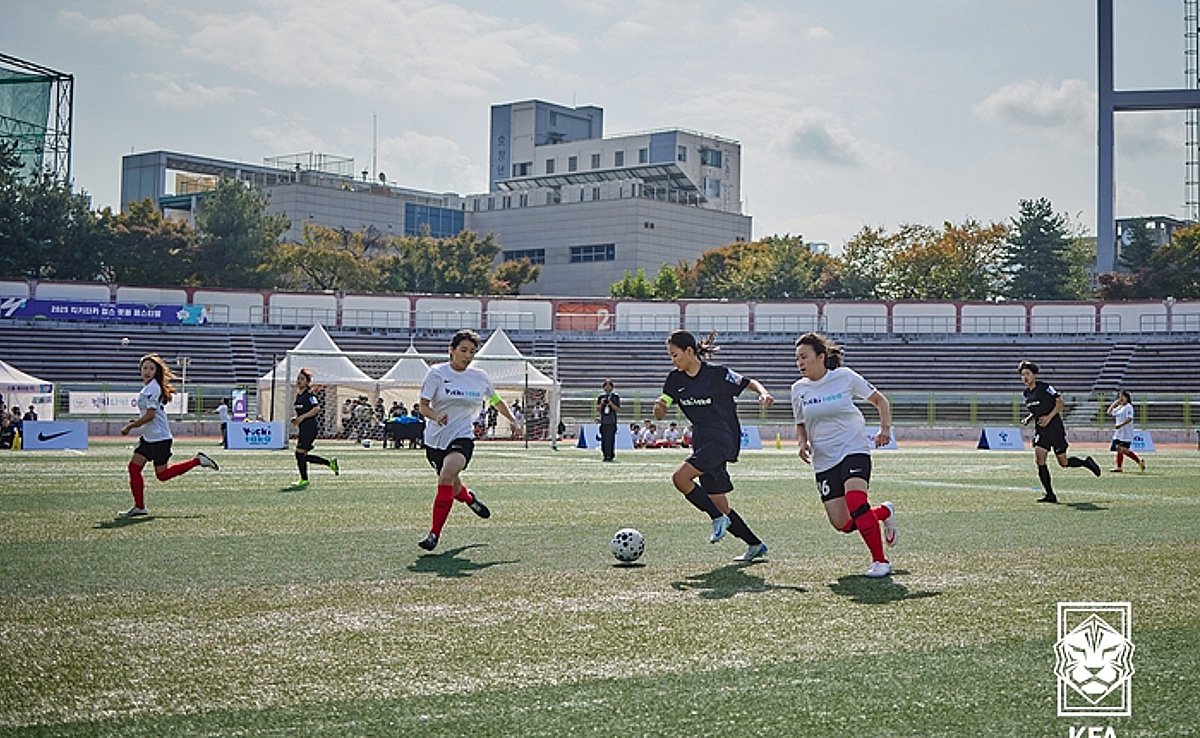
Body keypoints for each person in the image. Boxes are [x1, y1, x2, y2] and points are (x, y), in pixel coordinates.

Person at [653, 330, 773, 562]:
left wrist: (763, 394)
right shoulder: (674, 380)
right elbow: (661, 410)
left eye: (675, 354)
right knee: (719, 503)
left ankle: (716, 519)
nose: (672, 359)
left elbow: (749, 382)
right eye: (670, 355)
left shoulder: (718, 374)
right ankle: (755, 544)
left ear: (689, 351)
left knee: (680, 478)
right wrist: (659, 407)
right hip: (702, 442)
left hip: (723, 438)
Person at [791, 333, 897, 578]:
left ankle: (880, 561)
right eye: (797, 359)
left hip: (853, 448)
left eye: (804, 357)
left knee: (856, 502)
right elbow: (800, 423)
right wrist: (802, 443)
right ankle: (884, 512)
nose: (800, 363)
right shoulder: (798, 389)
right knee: (843, 523)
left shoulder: (845, 377)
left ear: (821, 357)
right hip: (823, 459)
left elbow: (880, 400)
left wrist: (885, 430)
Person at [416, 329, 517, 551]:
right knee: (453, 485)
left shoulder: (479, 377)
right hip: (435, 440)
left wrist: (511, 419)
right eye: (463, 350)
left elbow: (495, 400)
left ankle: (434, 534)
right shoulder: (436, 373)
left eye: (472, 351)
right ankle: (470, 499)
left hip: (463, 436)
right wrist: (436, 416)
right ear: (451, 351)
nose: (468, 355)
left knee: (446, 475)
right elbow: (423, 406)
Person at [118, 353, 219, 517]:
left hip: (159, 438)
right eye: (145, 368)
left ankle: (197, 461)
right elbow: (150, 414)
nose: (147, 371)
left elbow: (150, 416)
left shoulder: (152, 388)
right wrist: (137, 421)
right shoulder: (149, 388)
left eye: (151, 368)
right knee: (134, 468)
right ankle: (139, 507)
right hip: (149, 437)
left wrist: (131, 426)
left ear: (156, 371)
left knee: (162, 475)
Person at [1018, 360, 1101, 504]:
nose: (1025, 377)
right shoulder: (1026, 394)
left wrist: (1049, 418)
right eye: (1022, 374)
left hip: (1055, 428)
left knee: (1063, 462)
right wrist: (1029, 418)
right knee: (1039, 459)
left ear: (1034, 375)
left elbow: (1060, 403)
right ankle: (1050, 494)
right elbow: (1037, 410)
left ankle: (1086, 462)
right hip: (1041, 430)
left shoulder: (1045, 387)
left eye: (1027, 374)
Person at [290, 368, 339, 488]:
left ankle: (305, 479)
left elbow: (316, 408)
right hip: (303, 428)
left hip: (310, 428)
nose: (299, 381)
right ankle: (329, 464)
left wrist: (301, 418)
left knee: (299, 453)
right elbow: (303, 411)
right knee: (301, 455)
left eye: (302, 379)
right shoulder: (299, 396)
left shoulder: (309, 395)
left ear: (307, 382)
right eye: (298, 378)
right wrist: (296, 418)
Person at [1107, 390, 1145, 473]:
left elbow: (1129, 418)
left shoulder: (1128, 407)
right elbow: (1109, 412)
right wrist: (1115, 403)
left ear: (1127, 398)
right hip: (1119, 433)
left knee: (1121, 449)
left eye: (1122, 396)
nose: (1120, 398)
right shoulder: (1120, 407)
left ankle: (1121, 466)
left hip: (1126, 433)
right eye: (1119, 396)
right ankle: (1138, 461)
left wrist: (1120, 425)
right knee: (1121, 450)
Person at [596, 379, 622, 462]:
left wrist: (611, 403)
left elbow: (617, 409)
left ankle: (610, 455)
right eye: (605, 386)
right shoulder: (601, 397)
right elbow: (598, 409)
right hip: (604, 421)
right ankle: (604, 454)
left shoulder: (615, 397)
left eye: (609, 386)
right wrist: (602, 403)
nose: (607, 388)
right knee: (604, 439)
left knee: (610, 440)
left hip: (612, 421)